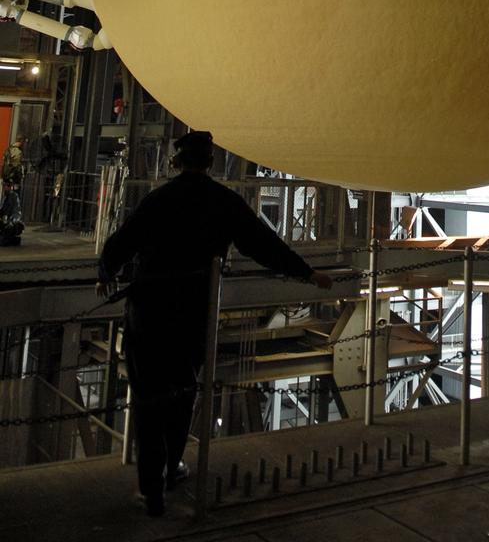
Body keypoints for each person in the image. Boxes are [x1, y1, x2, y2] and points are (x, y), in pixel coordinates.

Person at [96, 129, 333, 517]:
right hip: (192, 313)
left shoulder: (158, 200)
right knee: (181, 393)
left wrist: (105, 273)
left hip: (149, 311)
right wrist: (308, 274)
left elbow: (121, 243)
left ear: (177, 162)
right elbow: (263, 245)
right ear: (210, 163)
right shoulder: (224, 203)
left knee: (148, 399)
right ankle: (173, 469)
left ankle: (151, 490)